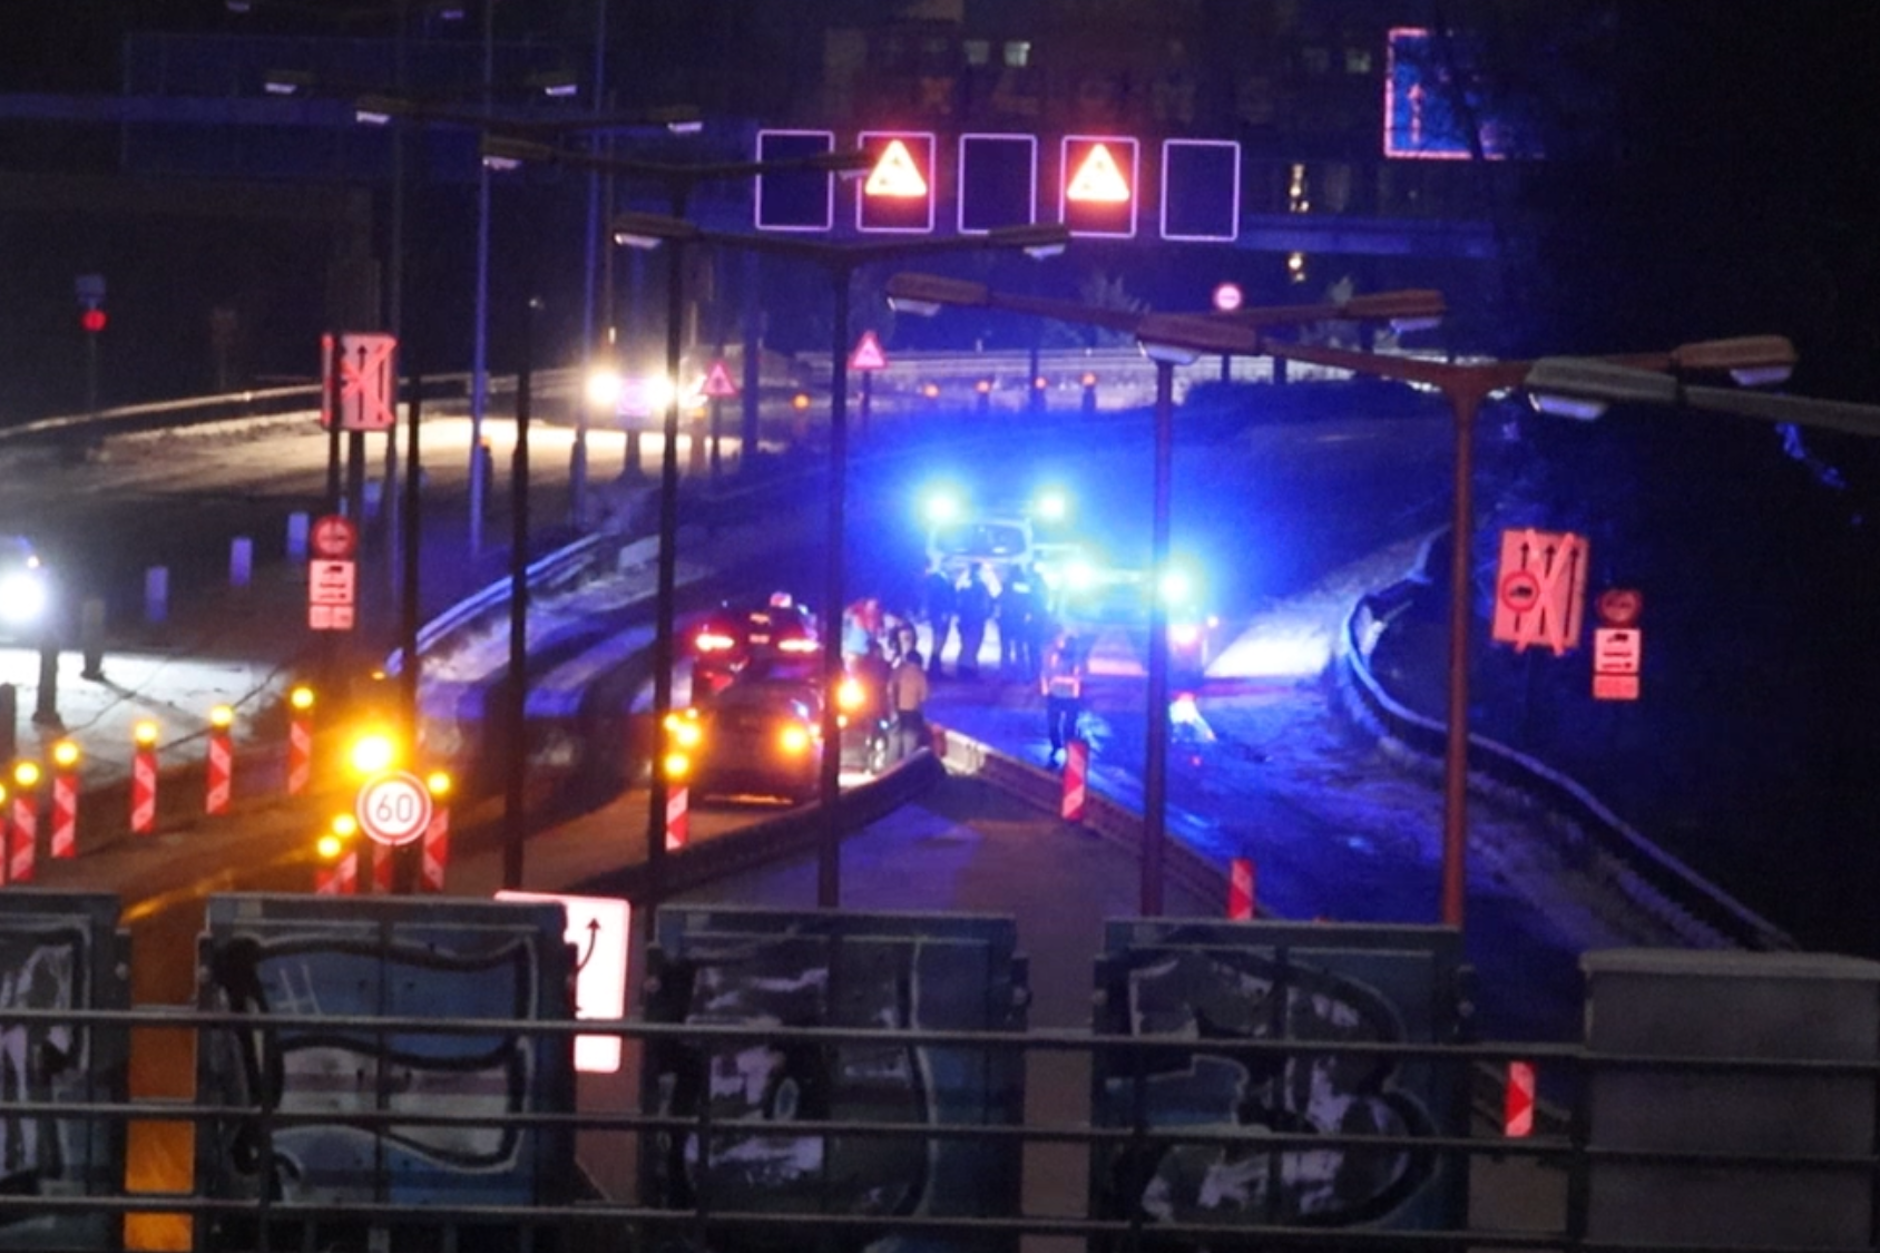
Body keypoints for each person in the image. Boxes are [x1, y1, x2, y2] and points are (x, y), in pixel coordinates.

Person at [1039, 631, 1086, 765]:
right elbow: (1045, 672)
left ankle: (1067, 749)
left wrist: (1057, 680)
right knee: (1054, 725)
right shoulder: (1051, 655)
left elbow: (1076, 678)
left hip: (1069, 697)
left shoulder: (1075, 659)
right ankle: (1057, 746)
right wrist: (1045, 688)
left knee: (1068, 726)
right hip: (1055, 695)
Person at [887, 647, 930, 760]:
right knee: (909, 744)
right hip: (911, 713)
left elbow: (889, 689)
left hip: (895, 710)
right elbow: (924, 696)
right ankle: (906, 767)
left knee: (893, 742)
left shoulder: (898, 670)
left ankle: (890, 766)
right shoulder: (919, 674)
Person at [998, 564, 1040, 679]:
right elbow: (1030, 602)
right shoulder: (1025, 587)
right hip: (1019, 620)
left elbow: (1001, 600)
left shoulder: (1006, 586)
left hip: (1006, 620)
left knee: (1005, 649)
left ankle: (1005, 673)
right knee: (1019, 648)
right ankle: (1020, 673)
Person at [954, 564, 994, 680]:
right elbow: (985, 604)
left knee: (965, 646)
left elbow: (958, 602)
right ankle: (971, 673)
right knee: (973, 647)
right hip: (976, 620)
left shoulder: (964, 586)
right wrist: (987, 615)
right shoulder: (981, 586)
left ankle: (962, 671)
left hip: (965, 619)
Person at [920, 562, 956, 677]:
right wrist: (943, 612)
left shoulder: (944, 579)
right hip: (939, 614)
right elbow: (939, 597)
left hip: (941, 614)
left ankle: (936, 668)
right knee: (938, 640)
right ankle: (934, 669)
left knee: (940, 640)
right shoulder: (937, 579)